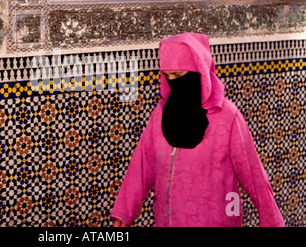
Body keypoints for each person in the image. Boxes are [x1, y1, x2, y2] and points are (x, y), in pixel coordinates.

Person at [111, 33, 285, 227]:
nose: (173, 81)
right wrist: (123, 213)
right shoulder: (161, 114)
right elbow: (142, 166)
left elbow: (253, 175)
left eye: (178, 75)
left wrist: (272, 221)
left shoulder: (226, 117)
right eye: (167, 76)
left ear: (198, 73)